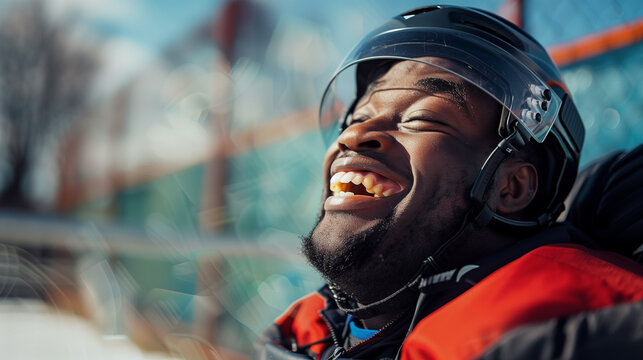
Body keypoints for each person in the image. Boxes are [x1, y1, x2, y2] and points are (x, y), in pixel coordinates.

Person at [254, 5, 643, 360]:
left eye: (423, 118)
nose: (354, 136)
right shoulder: (303, 336)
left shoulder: (568, 334)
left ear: (511, 188)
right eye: (356, 118)